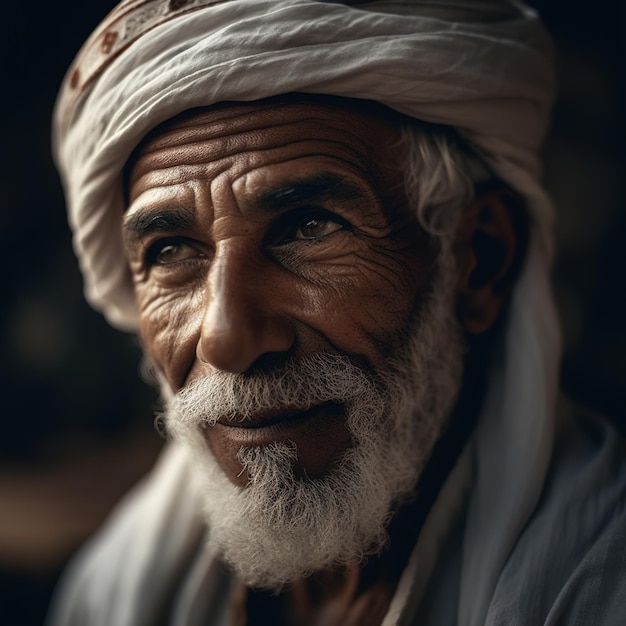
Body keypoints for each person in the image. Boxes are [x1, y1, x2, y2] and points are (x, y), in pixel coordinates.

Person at [47, 1, 626, 624]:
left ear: (478, 259)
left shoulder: (598, 581)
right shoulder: (117, 592)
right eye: (171, 251)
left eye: (307, 228)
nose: (228, 338)